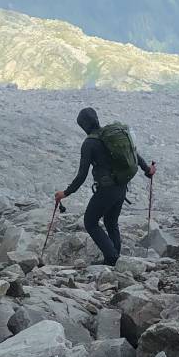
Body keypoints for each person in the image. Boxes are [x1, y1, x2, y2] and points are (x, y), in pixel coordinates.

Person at [55, 107, 155, 266]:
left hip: (106, 189)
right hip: (121, 187)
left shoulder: (89, 143)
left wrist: (66, 193)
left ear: (83, 125)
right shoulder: (110, 136)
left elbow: (82, 175)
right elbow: (134, 154)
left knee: (90, 222)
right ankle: (114, 261)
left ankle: (112, 257)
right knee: (111, 221)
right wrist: (147, 169)